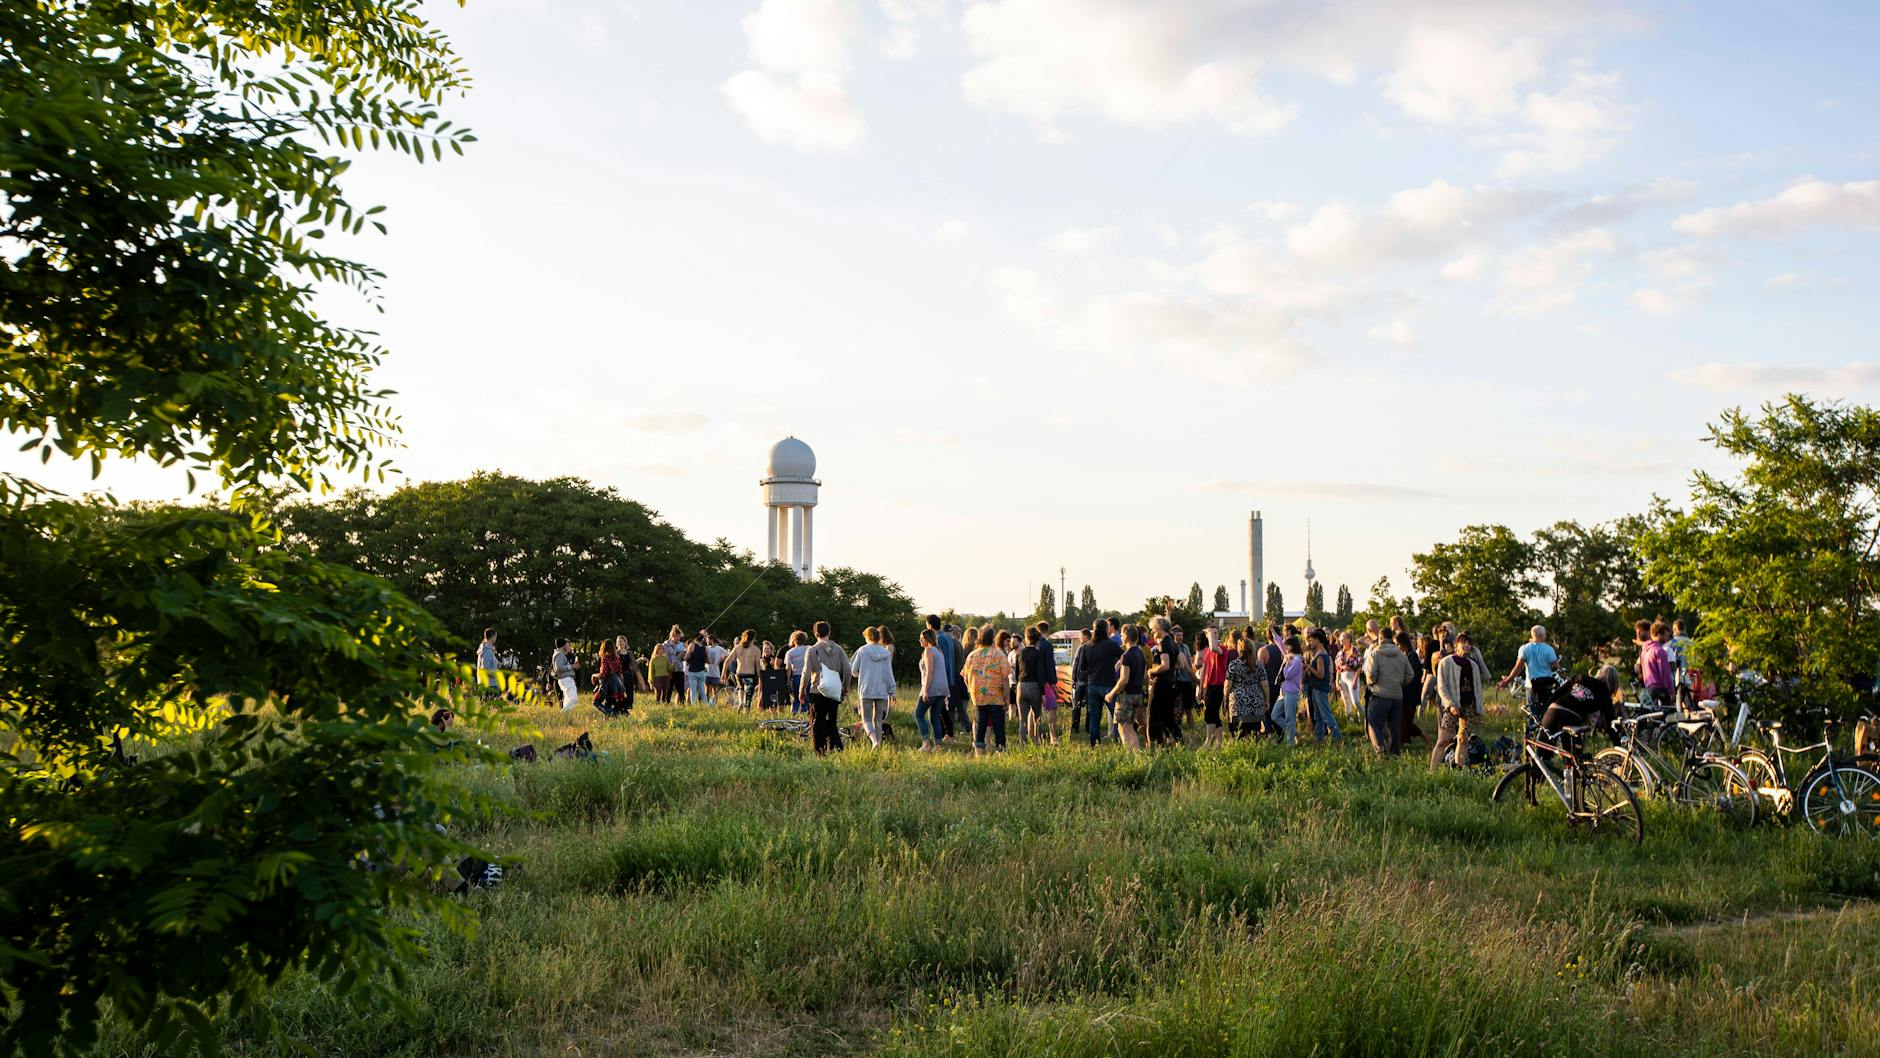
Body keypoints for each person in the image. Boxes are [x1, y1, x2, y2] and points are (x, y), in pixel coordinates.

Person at [1430, 632, 1491, 767]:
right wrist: (1450, 705)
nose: (1467, 646)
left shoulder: (1473, 665)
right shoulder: (1446, 662)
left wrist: (1479, 709)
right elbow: (1441, 686)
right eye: (1463, 643)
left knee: (1463, 740)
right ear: (1456, 645)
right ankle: (1431, 771)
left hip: (1468, 705)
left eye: (1469, 643)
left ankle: (1459, 768)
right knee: (1443, 739)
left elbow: (1478, 689)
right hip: (1452, 706)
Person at [799, 621, 850, 754]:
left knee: (817, 720)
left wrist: (802, 690)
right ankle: (837, 748)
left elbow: (805, 672)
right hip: (835, 690)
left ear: (815, 633)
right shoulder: (839, 649)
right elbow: (848, 669)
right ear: (829, 632)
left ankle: (820, 750)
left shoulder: (811, 650)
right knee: (832, 721)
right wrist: (845, 686)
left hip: (817, 690)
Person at [1361, 628, 1411, 755]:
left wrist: (1371, 683)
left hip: (1379, 694)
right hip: (1397, 695)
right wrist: (1400, 683)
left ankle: (1380, 751)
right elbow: (1410, 674)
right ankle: (1395, 752)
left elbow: (1371, 675)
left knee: (1374, 723)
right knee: (1395, 727)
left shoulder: (1375, 653)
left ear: (1380, 638)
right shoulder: (1401, 654)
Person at [1498, 625, 1559, 726]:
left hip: (1531, 686)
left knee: (1532, 713)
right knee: (1545, 711)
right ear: (1542, 635)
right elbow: (1558, 668)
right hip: (1546, 686)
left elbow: (1518, 668)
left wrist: (1507, 681)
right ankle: (1544, 735)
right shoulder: (1549, 649)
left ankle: (1531, 737)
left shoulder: (1524, 648)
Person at [965, 627, 1011, 757]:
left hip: (978, 697)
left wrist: (972, 690)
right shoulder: (999, 654)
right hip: (996, 697)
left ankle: (979, 752)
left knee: (980, 725)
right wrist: (1007, 698)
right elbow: (1005, 678)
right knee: (998, 726)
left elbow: (965, 677)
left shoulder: (972, 655)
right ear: (992, 638)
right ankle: (1000, 751)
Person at [849, 625, 895, 748]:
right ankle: (879, 743)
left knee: (867, 720)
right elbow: (889, 673)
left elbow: (853, 670)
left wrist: (860, 674)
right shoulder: (886, 652)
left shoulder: (862, 650)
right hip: (882, 690)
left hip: (866, 689)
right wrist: (892, 692)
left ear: (868, 637)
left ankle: (875, 741)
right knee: (878, 720)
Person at [1079, 618, 1122, 746]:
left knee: (1094, 718)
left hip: (1092, 684)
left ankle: (1095, 744)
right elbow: (1123, 655)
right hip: (1109, 684)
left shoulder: (1087, 646)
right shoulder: (1111, 645)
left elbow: (1083, 667)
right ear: (1106, 629)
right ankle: (1119, 740)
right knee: (1116, 716)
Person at [1105, 623, 1148, 751]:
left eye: (1122, 634)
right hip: (1138, 693)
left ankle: (1134, 753)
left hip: (1127, 695)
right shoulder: (1141, 653)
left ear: (1127, 637)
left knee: (1124, 727)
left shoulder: (1126, 655)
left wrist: (1111, 693)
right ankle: (1136, 752)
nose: (1121, 637)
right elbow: (1144, 676)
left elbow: (1124, 679)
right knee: (1129, 725)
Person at [1145, 617, 1182, 746]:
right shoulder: (1173, 644)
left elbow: (1165, 665)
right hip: (1172, 683)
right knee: (1168, 717)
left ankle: (1153, 744)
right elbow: (1181, 664)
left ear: (1160, 627)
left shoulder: (1163, 644)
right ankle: (1179, 740)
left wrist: (1152, 671)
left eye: (1154, 629)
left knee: (1153, 715)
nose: (1153, 632)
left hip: (1161, 684)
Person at [1225, 629, 1268, 739]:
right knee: (1254, 734)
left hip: (1238, 704)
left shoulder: (1233, 665)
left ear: (1239, 650)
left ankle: (1241, 753)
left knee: (1238, 734)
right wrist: (1267, 700)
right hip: (1256, 702)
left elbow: (1227, 685)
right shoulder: (1258, 665)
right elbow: (1265, 685)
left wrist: (1225, 699)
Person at [1303, 630, 1340, 742]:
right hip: (1317, 689)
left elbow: (1321, 674)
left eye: (1312, 640)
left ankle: (1336, 737)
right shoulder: (1323, 653)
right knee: (1317, 716)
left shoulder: (1320, 656)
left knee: (1326, 715)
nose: (1310, 642)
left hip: (1319, 689)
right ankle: (1319, 738)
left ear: (1318, 640)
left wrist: (1310, 668)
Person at [915, 628, 949, 751]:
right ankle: (938, 745)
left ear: (927, 639)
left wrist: (925, 690)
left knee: (918, 714)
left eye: (922, 638)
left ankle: (926, 743)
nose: (919, 641)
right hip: (942, 688)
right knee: (934, 717)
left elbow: (930, 671)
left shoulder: (928, 650)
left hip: (932, 687)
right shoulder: (938, 651)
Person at [1197, 629, 1230, 747]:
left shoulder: (1223, 649)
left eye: (1216, 632)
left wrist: (1210, 633)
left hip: (1218, 685)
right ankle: (1219, 743)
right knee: (1214, 715)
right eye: (1212, 633)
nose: (1215, 635)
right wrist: (1201, 687)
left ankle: (1208, 741)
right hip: (1209, 686)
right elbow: (1204, 670)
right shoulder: (1206, 651)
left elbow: (1214, 648)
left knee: (1210, 713)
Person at [1395, 631, 1425, 746]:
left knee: (1405, 720)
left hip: (1410, 694)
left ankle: (1406, 741)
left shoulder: (1412, 656)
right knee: (1403, 719)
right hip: (1406, 693)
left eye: (1397, 644)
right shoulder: (1405, 656)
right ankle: (1419, 736)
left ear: (1403, 643)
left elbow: (1412, 676)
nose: (1397, 647)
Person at [1636, 618, 1674, 708]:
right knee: (1667, 717)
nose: (1667, 638)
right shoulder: (1660, 651)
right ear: (1659, 635)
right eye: (1666, 635)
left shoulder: (1644, 651)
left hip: (1649, 688)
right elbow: (1665, 673)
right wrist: (1671, 692)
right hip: (1661, 689)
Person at [728, 629, 763, 711]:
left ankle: (740, 702)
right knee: (748, 698)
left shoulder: (738, 647)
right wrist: (760, 676)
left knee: (741, 688)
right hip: (750, 675)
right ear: (754, 638)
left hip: (739, 674)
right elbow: (758, 666)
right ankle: (746, 713)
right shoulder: (756, 650)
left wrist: (723, 673)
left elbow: (727, 661)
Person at [1666, 619, 1693, 709]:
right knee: (1689, 708)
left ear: (1675, 629)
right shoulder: (1693, 644)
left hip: (1676, 680)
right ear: (1684, 628)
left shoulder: (1670, 644)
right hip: (1691, 679)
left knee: (1677, 709)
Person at [1069, 628, 1092, 738]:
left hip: (1081, 680)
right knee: (1089, 705)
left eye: (1080, 636)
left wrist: (1073, 678)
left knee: (1077, 705)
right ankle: (1089, 727)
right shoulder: (1092, 647)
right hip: (1088, 680)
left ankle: (1075, 727)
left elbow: (1076, 664)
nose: (1079, 638)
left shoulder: (1082, 647)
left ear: (1084, 637)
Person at [1336, 631, 1363, 719]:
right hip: (1342, 677)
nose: (1341, 641)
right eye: (1340, 640)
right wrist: (1337, 681)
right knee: (1346, 701)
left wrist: (1355, 681)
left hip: (1352, 676)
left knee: (1355, 701)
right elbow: (1338, 669)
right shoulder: (1340, 653)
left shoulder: (1355, 650)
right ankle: (1350, 721)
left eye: (1342, 639)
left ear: (1348, 639)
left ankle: (1363, 717)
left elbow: (1359, 666)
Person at [784, 630, 810, 714]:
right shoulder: (808, 649)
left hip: (797, 676)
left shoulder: (790, 652)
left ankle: (794, 713)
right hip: (808, 676)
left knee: (796, 698)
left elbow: (788, 668)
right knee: (808, 697)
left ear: (794, 640)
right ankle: (807, 713)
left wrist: (788, 681)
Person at [683, 632, 711, 705]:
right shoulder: (705, 648)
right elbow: (710, 661)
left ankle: (694, 706)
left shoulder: (692, 645)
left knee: (693, 690)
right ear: (702, 639)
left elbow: (685, 658)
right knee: (702, 690)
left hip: (692, 671)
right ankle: (705, 705)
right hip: (702, 671)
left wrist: (686, 653)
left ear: (695, 638)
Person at [551, 637, 578, 711]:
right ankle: (563, 713)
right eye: (567, 644)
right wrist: (571, 666)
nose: (568, 645)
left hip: (566, 679)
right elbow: (559, 668)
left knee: (568, 699)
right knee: (574, 699)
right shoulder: (559, 654)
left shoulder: (560, 654)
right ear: (563, 645)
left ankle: (565, 716)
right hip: (566, 679)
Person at [647, 639, 674, 703]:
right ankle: (657, 703)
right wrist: (651, 681)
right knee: (658, 692)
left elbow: (669, 669)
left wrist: (672, 665)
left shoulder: (665, 658)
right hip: (657, 678)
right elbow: (651, 671)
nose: (661, 650)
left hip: (666, 677)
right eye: (659, 649)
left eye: (662, 649)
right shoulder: (653, 660)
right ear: (656, 650)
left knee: (665, 692)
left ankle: (664, 704)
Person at [476, 627, 500, 694]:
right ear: (492, 637)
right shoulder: (487, 652)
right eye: (495, 636)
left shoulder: (488, 650)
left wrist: (497, 664)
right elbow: (486, 669)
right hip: (489, 686)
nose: (496, 638)